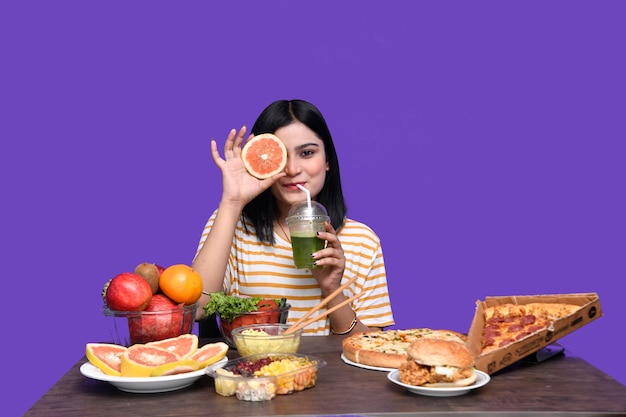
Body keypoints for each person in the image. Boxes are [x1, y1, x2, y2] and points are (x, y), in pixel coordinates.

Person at [192, 99, 394, 335]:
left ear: (327, 160)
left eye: (307, 153)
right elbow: (197, 309)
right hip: (252, 370)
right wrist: (232, 202)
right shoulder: (232, 225)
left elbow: (370, 351)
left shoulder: (363, 241)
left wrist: (332, 289)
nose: (292, 169)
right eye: (280, 156)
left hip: (328, 372)